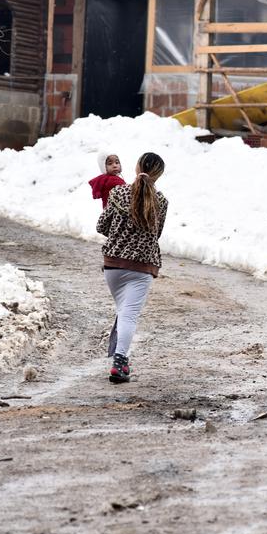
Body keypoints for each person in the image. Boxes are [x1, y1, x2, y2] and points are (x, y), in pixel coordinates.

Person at [95, 152, 168, 383]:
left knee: (124, 312)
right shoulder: (162, 201)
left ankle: (121, 359)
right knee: (129, 315)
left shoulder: (118, 192)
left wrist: (119, 233)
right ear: (159, 174)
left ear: (136, 168)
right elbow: (156, 233)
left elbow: (101, 225)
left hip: (114, 263)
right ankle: (119, 362)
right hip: (142, 266)